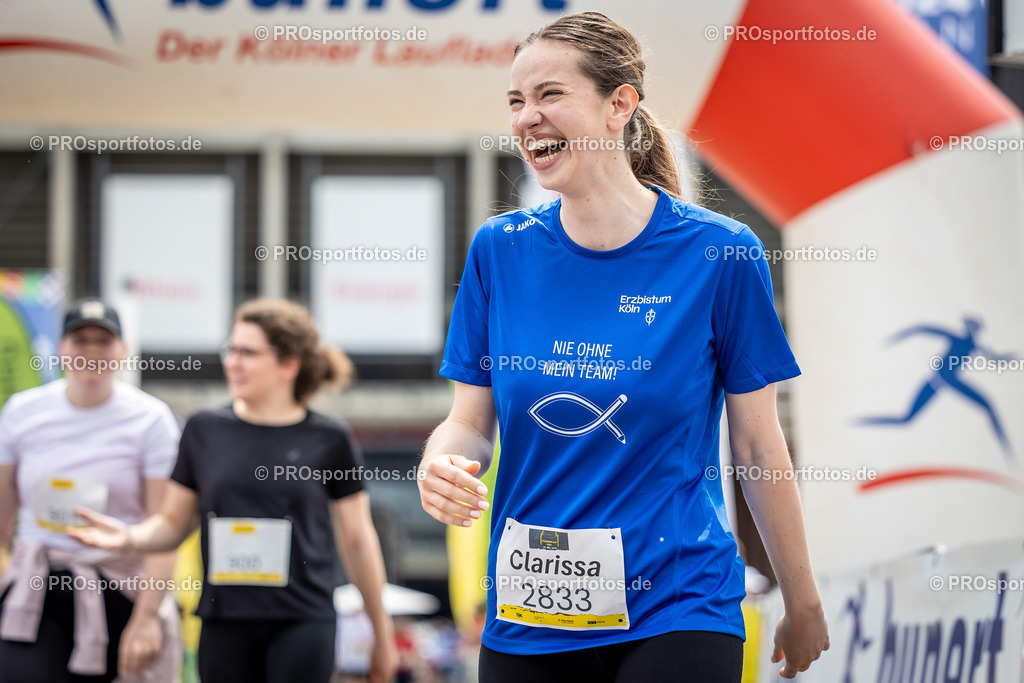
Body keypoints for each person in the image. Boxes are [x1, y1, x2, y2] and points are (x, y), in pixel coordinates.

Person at [417, 12, 829, 682]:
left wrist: (802, 597)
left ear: (619, 105)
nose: (527, 117)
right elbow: (469, 423)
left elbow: (758, 446)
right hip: (531, 612)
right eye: (516, 101)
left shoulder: (721, 253)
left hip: (679, 601)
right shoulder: (499, 250)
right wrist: (441, 460)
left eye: (550, 94)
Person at [69, 299, 398, 683]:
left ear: (289, 365)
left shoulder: (329, 437)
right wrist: (129, 537)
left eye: (248, 353)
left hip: (303, 620)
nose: (233, 363)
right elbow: (173, 524)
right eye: (231, 350)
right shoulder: (204, 430)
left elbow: (357, 539)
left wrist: (381, 631)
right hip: (223, 621)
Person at [0, 299, 183, 682]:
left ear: (122, 350)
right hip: (38, 583)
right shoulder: (22, 412)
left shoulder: (150, 419)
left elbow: (165, 526)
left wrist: (148, 617)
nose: (92, 351)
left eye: (104, 341)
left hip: (119, 584)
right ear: (61, 347)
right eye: (80, 340)